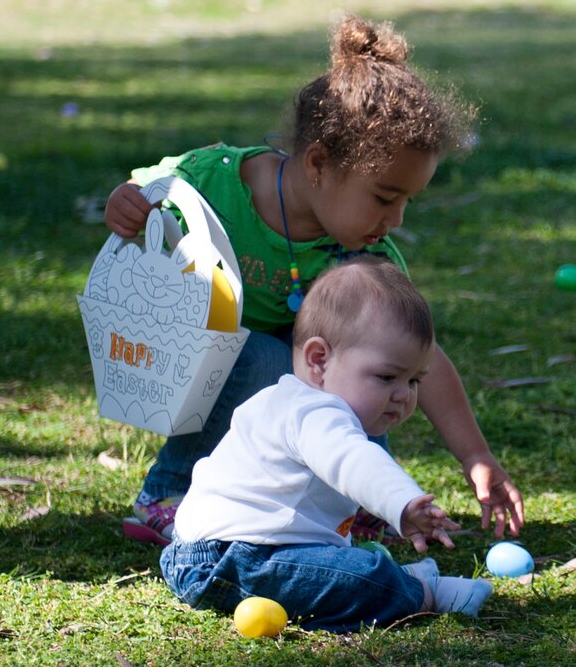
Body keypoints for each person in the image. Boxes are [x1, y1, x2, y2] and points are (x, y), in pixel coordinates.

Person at [105, 15, 522, 546]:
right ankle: (168, 494)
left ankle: (350, 495)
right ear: (319, 163)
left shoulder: (366, 256)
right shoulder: (214, 182)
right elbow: (147, 190)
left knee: (368, 349)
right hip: (188, 354)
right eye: (384, 198)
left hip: (279, 377)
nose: (395, 221)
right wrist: (126, 203)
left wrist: (476, 455)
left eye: (406, 202)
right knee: (265, 357)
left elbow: (423, 357)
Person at [160, 260, 492, 632]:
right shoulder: (313, 413)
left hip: (222, 551)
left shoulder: (291, 402)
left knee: (345, 568)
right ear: (319, 361)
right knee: (363, 579)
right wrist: (402, 504)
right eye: (387, 376)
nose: (403, 395)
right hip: (235, 558)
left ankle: (396, 578)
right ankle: (422, 594)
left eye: (414, 380)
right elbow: (355, 462)